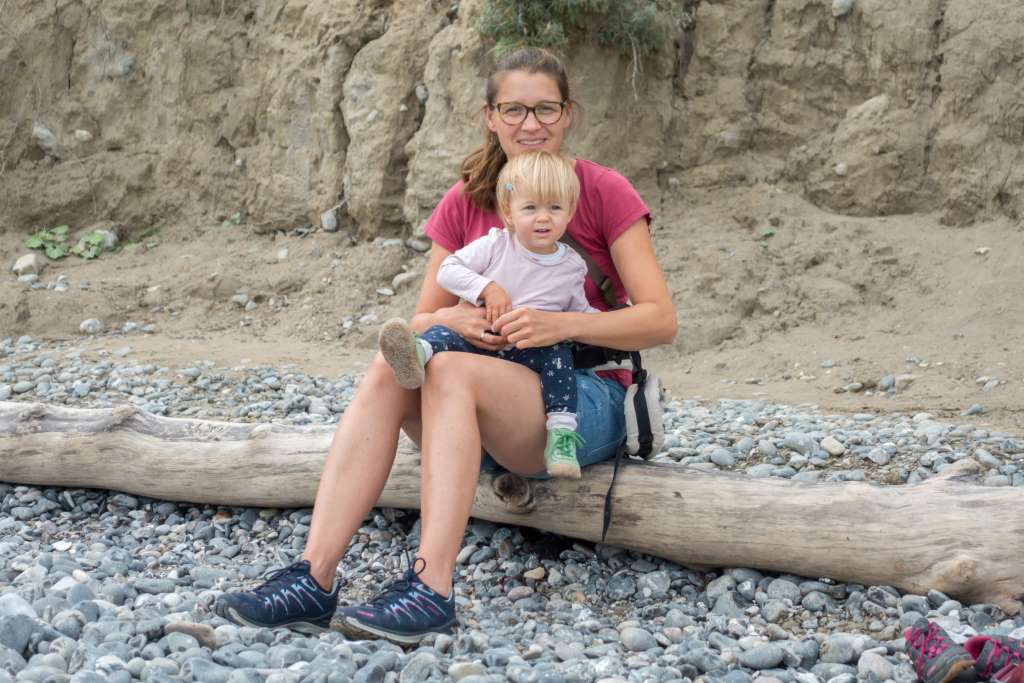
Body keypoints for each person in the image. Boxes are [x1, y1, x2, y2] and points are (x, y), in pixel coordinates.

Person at [215, 46, 677, 644]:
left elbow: (660, 321)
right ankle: (313, 579)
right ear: (490, 116)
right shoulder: (466, 201)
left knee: (453, 374)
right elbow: (423, 317)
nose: (530, 125)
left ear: (568, 115)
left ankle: (431, 590)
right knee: (392, 362)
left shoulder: (603, 190)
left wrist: (561, 325)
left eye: (545, 109)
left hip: (579, 403)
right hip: (484, 404)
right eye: (514, 110)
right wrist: (457, 322)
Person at [377, 150, 596, 479]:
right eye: (530, 208)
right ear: (508, 213)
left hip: (531, 353)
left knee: (560, 355)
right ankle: (415, 357)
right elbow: (448, 271)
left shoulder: (572, 265)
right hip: (485, 342)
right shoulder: (496, 245)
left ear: (570, 212)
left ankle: (561, 438)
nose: (543, 218)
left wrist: (600, 330)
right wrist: (487, 289)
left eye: (555, 207)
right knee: (447, 333)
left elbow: (580, 311)